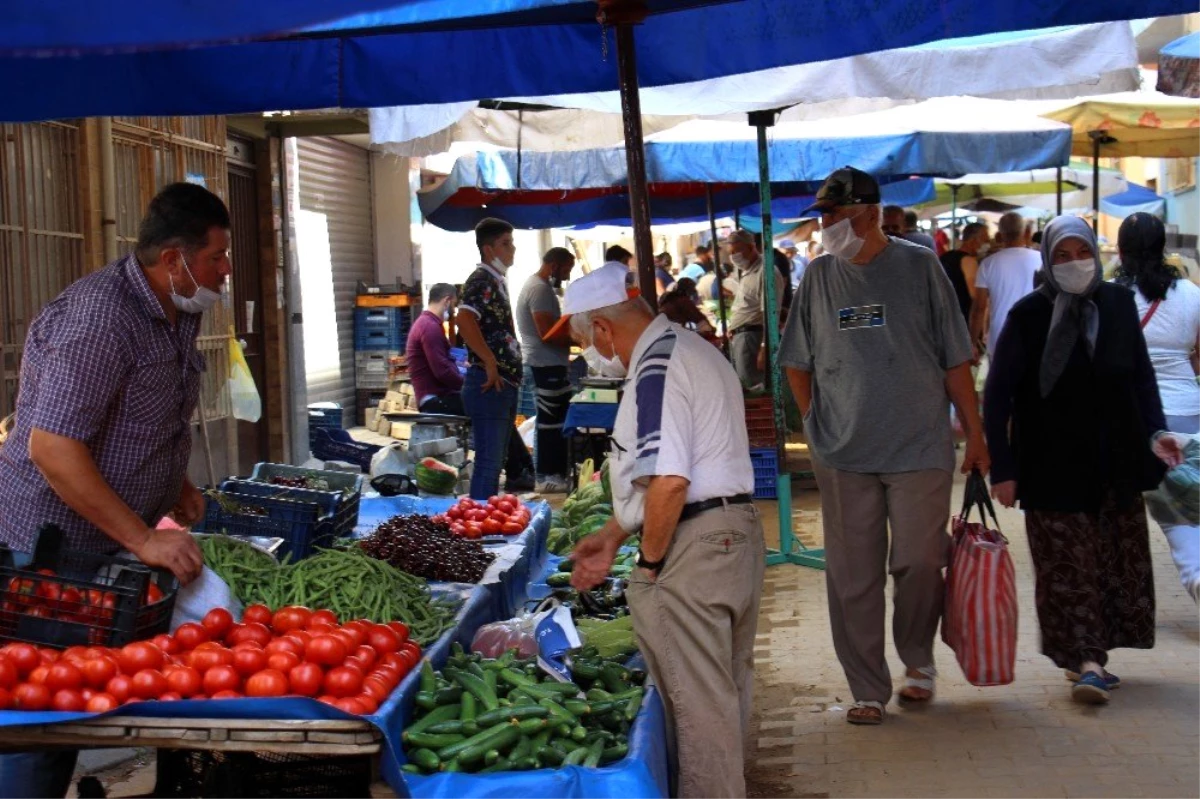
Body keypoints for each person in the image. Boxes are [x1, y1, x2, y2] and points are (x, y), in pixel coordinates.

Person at [0, 182, 225, 798]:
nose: (225, 271)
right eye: (216, 258)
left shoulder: (177, 308)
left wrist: (171, 479)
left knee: (81, 699)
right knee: (38, 712)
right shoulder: (101, 318)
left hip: (101, 544)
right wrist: (142, 537)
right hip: (47, 546)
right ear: (175, 259)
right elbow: (53, 447)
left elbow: (132, 415)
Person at [780, 166, 988, 726]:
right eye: (822, 216)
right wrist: (813, 420)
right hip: (843, 450)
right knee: (853, 575)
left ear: (871, 211)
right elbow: (796, 361)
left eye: (837, 215)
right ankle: (867, 687)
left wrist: (975, 434)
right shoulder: (818, 277)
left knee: (922, 560)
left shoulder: (919, 266)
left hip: (919, 443)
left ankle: (917, 661)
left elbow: (954, 357)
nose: (826, 226)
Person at [566, 263, 763, 798]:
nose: (595, 354)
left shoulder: (656, 366)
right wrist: (613, 534)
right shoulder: (691, 347)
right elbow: (669, 474)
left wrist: (649, 565)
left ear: (604, 328)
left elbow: (671, 481)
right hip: (735, 531)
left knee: (700, 709)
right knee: (723, 689)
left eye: (589, 341)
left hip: (696, 547)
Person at [984, 215, 1165, 705]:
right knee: (1067, 565)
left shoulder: (1119, 305)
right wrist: (1003, 468)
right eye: (1061, 256)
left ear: (1096, 253)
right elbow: (998, 396)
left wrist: (1158, 433)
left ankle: (1087, 655)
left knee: (1109, 563)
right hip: (1049, 464)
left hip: (1115, 459)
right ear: (1046, 259)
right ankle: (1087, 662)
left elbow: (1141, 378)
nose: (1074, 264)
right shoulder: (1028, 316)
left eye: (1081, 253)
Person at [1113, 213, 1200, 600]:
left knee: (1163, 506)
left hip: (1133, 415)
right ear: (1163, 247)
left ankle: (1194, 573)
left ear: (1120, 249)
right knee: (1188, 496)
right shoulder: (1193, 294)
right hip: (1187, 407)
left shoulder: (1110, 295)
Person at [455, 217, 535, 497]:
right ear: (489, 249)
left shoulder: (495, 281)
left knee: (493, 463)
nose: (512, 249)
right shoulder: (482, 280)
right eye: (505, 243)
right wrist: (489, 361)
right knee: (489, 463)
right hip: (489, 383)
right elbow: (464, 320)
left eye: (511, 243)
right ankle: (477, 527)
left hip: (501, 384)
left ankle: (482, 522)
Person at [515, 247, 577, 494]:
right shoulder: (539, 289)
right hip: (543, 365)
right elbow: (547, 334)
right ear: (554, 265)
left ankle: (549, 474)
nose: (567, 276)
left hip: (548, 364)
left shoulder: (540, 287)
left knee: (551, 422)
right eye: (566, 270)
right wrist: (579, 340)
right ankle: (548, 476)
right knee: (550, 424)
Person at [970, 212, 1040, 360]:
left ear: (1000, 235)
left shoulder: (988, 264)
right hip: (1034, 334)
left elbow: (979, 308)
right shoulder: (1041, 260)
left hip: (1000, 337)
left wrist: (972, 342)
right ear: (1025, 232)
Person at [727, 229, 783, 388]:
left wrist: (765, 348)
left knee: (753, 386)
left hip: (752, 338)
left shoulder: (766, 271)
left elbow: (772, 314)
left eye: (736, 251)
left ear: (751, 248)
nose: (733, 257)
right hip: (741, 337)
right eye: (731, 252)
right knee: (744, 384)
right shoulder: (746, 271)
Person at [939, 222, 988, 325]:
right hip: (961, 320)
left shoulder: (945, 257)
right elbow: (975, 297)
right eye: (985, 240)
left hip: (942, 315)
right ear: (975, 240)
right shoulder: (969, 261)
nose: (987, 244)